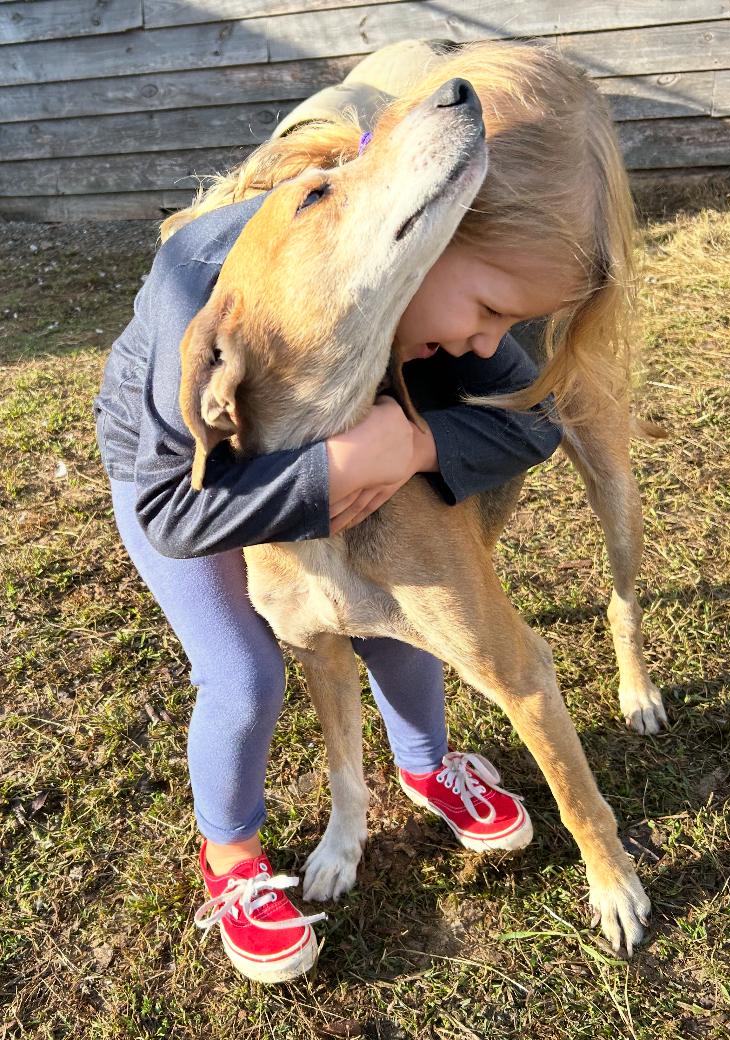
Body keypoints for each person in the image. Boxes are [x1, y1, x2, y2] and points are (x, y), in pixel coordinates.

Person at [93, 38, 636, 983]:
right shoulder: (204, 287)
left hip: (357, 440)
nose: (491, 343)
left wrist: (418, 446)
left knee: (398, 635)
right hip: (182, 464)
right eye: (494, 311)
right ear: (440, 233)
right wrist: (337, 467)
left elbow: (534, 418)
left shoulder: (445, 308)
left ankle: (425, 767)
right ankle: (230, 858)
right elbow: (168, 509)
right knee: (246, 675)